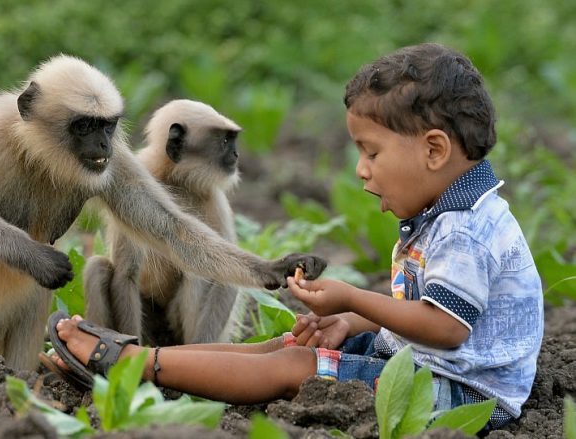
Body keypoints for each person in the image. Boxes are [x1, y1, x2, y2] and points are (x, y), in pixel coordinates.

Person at [43, 43, 543, 431]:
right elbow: (432, 316)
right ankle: (135, 358)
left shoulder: (467, 229)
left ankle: (135, 365)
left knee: (293, 367)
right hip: (426, 366)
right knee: (281, 344)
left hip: (459, 396)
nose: (362, 171)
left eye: (371, 153)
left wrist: (355, 300)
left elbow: (445, 328)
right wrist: (349, 321)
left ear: (434, 150)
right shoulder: (448, 213)